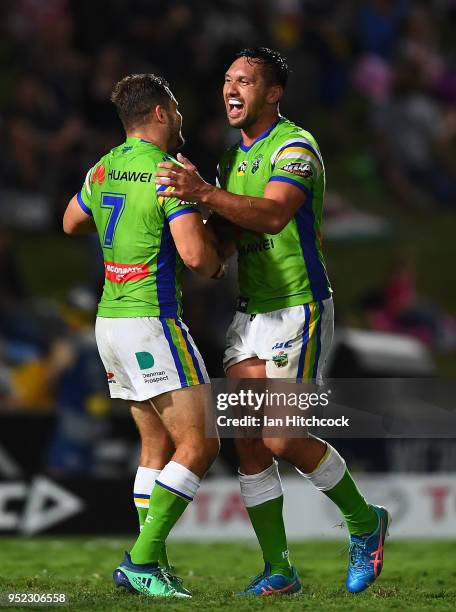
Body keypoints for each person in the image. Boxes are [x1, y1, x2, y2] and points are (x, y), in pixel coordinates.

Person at [155, 47, 390, 595]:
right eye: (228, 79)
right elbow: (227, 245)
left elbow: (275, 213)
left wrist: (206, 193)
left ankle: (364, 520)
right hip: (251, 312)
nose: (231, 89)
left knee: (283, 438)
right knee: (250, 441)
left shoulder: (296, 147)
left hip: (299, 308)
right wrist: (188, 222)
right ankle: (279, 569)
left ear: (273, 93)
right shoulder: (231, 162)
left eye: (246, 80)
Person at [63, 73, 222, 598]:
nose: (179, 118)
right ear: (159, 113)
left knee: (154, 448)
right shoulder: (168, 173)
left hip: (109, 321)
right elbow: (197, 259)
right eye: (175, 109)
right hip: (152, 320)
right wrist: (208, 230)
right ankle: (142, 559)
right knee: (200, 444)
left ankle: (152, 566)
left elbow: (70, 222)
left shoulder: (103, 166)